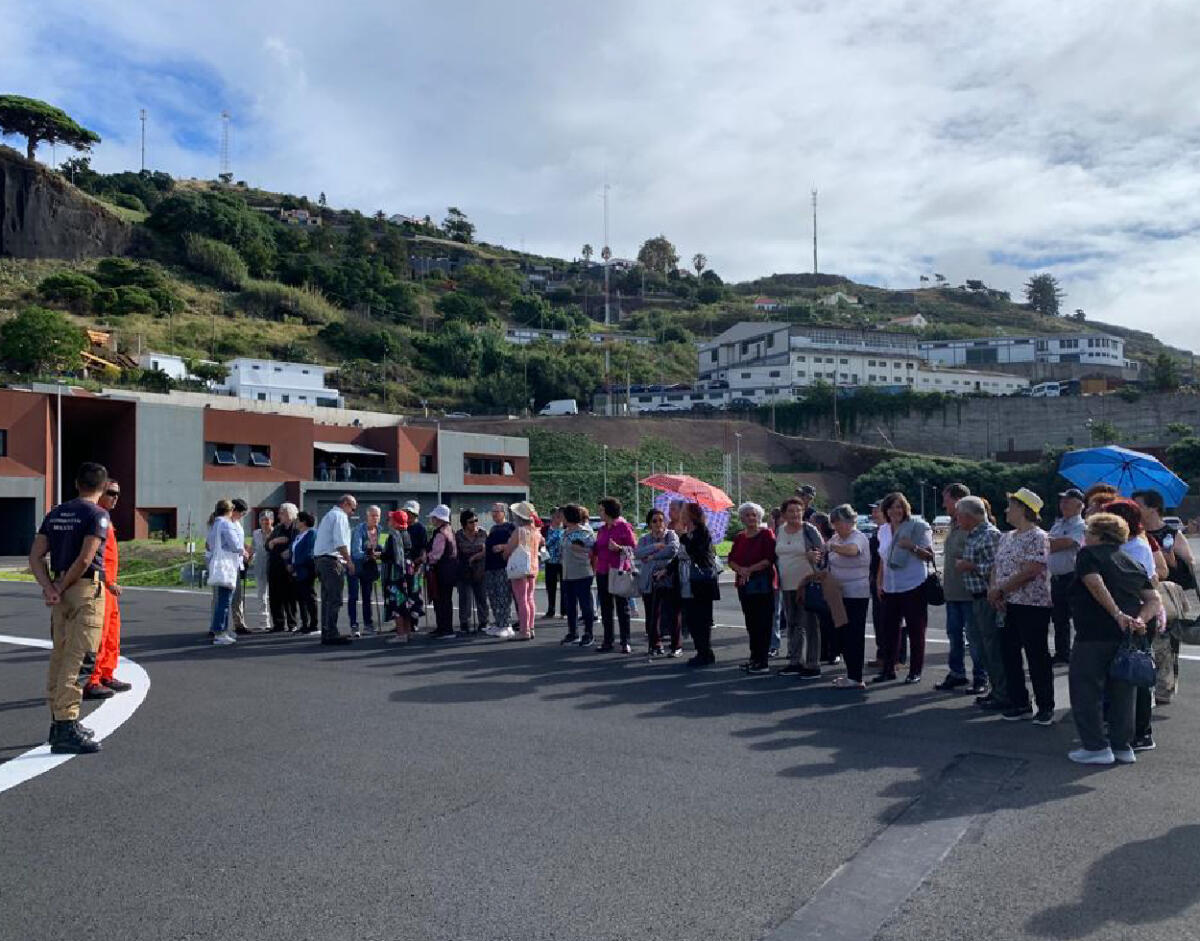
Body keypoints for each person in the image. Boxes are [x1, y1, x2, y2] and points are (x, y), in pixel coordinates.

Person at [28, 462, 111, 754]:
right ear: (102, 487)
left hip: (60, 594)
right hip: (85, 590)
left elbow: (36, 556)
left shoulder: (56, 513)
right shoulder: (97, 515)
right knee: (81, 658)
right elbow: (86, 558)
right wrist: (61, 587)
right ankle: (65, 726)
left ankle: (59, 720)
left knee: (61, 656)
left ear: (77, 483)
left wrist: (50, 587)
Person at [1066, 512, 1159, 765]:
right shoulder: (1131, 561)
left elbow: (1094, 582)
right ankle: (1122, 746)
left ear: (1098, 534)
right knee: (1123, 692)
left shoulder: (1088, 555)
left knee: (1086, 689)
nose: (1085, 536)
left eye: (1088, 532)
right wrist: (1140, 619)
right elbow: (1154, 599)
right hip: (1127, 636)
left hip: (1093, 634)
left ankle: (1095, 747)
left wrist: (1116, 613)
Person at [988, 488, 1054, 724]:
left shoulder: (1038, 536)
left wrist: (1001, 589)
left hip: (1032, 604)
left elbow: (1031, 570)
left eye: (1011, 505)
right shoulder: (1006, 536)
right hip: (1007, 604)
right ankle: (1020, 702)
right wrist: (993, 590)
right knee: (1009, 654)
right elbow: (996, 566)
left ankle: (1045, 705)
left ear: (1023, 509)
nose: (1007, 510)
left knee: (1037, 655)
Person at [82, 479, 133, 699]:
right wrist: (107, 581)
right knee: (98, 635)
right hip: (100, 584)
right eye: (111, 492)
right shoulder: (94, 516)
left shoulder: (105, 518)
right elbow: (93, 556)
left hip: (109, 586)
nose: (116, 498)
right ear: (100, 492)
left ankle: (105, 673)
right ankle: (91, 680)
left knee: (112, 632)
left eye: (118, 494)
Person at [775, 497, 823, 679]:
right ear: (784, 514)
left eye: (798, 511)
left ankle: (813, 664)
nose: (795, 514)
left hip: (807, 584)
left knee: (810, 625)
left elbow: (823, 550)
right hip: (787, 584)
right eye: (791, 511)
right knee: (793, 624)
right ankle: (795, 661)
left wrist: (814, 556)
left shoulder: (808, 529)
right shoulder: (780, 530)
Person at [728, 502, 778, 674]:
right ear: (742, 518)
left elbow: (769, 558)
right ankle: (754, 658)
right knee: (751, 623)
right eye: (747, 515)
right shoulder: (740, 537)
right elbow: (731, 558)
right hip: (744, 584)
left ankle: (762, 662)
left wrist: (749, 569)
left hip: (762, 584)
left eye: (754, 514)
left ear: (759, 516)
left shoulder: (766, 534)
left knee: (763, 623)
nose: (751, 517)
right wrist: (740, 569)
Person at [826, 504, 871, 688]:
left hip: (856, 593)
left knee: (854, 635)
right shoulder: (836, 537)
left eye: (839, 523)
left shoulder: (857, 537)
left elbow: (853, 551)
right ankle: (850, 672)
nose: (836, 526)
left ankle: (855, 676)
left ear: (850, 522)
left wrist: (832, 547)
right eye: (834, 523)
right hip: (838, 593)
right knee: (842, 634)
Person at [937, 483, 977, 692]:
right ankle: (957, 673)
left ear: (957, 500)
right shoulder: (954, 524)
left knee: (974, 637)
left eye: (946, 499)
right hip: (952, 591)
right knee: (954, 634)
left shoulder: (972, 526)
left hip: (968, 592)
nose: (944, 504)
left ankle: (980, 677)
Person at [635, 508, 682, 658]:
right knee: (652, 614)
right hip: (650, 580)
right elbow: (638, 553)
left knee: (673, 613)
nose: (658, 523)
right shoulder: (644, 538)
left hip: (668, 579)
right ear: (649, 523)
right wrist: (655, 547)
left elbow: (673, 550)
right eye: (654, 521)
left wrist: (652, 558)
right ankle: (655, 644)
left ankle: (676, 646)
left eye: (661, 520)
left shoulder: (671, 535)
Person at [1047, 488, 1087, 665]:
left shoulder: (1081, 526)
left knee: (1077, 617)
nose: (1063, 505)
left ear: (1079, 506)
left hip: (1072, 576)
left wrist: (1047, 543)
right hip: (1056, 577)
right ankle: (1062, 653)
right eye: (1062, 501)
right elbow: (1049, 544)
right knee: (1059, 618)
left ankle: (1080, 653)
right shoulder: (1058, 523)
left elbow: (1065, 544)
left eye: (1067, 501)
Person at [593, 497, 637, 654]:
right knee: (606, 607)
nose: (599, 513)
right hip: (603, 571)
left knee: (622, 607)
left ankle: (625, 641)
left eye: (601, 510)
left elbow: (633, 548)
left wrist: (619, 548)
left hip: (618, 570)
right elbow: (597, 548)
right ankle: (608, 640)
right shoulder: (602, 529)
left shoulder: (623, 527)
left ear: (608, 511)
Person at [679, 502, 720, 667]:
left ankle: (705, 652)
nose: (681, 515)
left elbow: (697, 553)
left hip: (702, 580)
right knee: (694, 618)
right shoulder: (693, 532)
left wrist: (683, 537)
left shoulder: (701, 531)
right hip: (693, 579)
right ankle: (703, 651)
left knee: (701, 618)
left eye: (684, 512)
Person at [313, 494, 357, 645]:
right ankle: (331, 633)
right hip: (331, 561)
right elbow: (340, 542)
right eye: (352, 508)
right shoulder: (339, 516)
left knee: (327, 599)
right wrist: (349, 561)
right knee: (334, 599)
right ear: (345, 504)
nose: (353, 512)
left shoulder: (329, 515)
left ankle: (327, 632)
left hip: (321, 560)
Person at [206, 499, 245, 646]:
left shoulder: (214, 524)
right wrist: (243, 551)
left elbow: (209, 544)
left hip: (217, 563)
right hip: (227, 565)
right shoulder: (226, 524)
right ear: (229, 510)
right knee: (225, 600)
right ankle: (220, 632)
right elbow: (235, 544)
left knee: (221, 599)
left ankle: (221, 630)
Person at [559, 504, 598, 645]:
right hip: (567, 573)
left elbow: (592, 548)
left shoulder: (584, 532)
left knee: (585, 604)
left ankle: (589, 633)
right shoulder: (565, 533)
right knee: (570, 605)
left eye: (563, 515)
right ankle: (573, 632)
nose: (561, 518)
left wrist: (580, 548)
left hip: (582, 572)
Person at [504, 501, 543, 640]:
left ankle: (524, 630)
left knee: (521, 600)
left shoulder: (519, 531)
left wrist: (505, 554)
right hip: (533, 566)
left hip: (520, 567)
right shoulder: (536, 532)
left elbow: (509, 549)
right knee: (529, 598)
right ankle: (530, 627)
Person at [381, 510, 422, 642]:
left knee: (397, 601)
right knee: (407, 602)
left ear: (396, 522)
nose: (389, 521)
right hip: (409, 569)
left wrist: (379, 554)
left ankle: (401, 634)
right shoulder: (406, 534)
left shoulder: (395, 536)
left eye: (391, 519)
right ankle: (408, 632)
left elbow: (391, 555)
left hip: (397, 572)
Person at [348, 505, 384, 636]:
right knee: (353, 596)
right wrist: (370, 554)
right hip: (355, 565)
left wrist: (379, 551)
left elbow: (377, 548)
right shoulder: (359, 530)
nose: (375, 518)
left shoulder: (379, 529)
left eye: (377, 516)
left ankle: (368, 624)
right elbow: (356, 552)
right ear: (367, 516)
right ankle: (354, 625)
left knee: (367, 597)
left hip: (368, 567)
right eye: (372, 515)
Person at [426, 504, 459, 638]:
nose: (432, 519)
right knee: (445, 599)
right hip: (451, 569)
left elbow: (436, 554)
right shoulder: (450, 529)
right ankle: (444, 627)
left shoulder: (440, 533)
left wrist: (426, 557)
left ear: (439, 518)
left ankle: (445, 629)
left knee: (441, 600)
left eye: (434, 517)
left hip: (441, 570)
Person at [484, 502, 516, 636]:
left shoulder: (510, 527)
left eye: (497, 511)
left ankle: (506, 624)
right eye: (493, 511)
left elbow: (516, 542)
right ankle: (498, 623)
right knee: (493, 596)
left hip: (503, 566)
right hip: (490, 566)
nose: (494, 514)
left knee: (503, 596)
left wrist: (503, 546)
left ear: (504, 513)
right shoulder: (492, 529)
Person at [266, 503, 299, 632]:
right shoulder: (278, 528)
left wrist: (288, 547)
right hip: (275, 566)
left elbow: (297, 543)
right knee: (274, 596)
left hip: (289, 567)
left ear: (289, 514)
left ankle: (292, 623)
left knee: (289, 596)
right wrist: (275, 541)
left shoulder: (296, 528)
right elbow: (267, 545)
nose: (279, 516)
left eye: (281, 513)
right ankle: (278, 624)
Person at [456, 510, 489, 634]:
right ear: (464, 523)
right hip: (464, 569)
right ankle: (465, 623)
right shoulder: (458, 535)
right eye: (471, 521)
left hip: (480, 569)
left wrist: (475, 557)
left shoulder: (483, 533)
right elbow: (456, 552)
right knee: (465, 598)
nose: (474, 523)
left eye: (476, 520)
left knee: (481, 597)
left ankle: (484, 622)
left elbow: (487, 549)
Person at [289, 511, 318, 633]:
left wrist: (294, 565)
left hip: (307, 570)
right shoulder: (298, 535)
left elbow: (308, 554)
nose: (295, 522)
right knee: (301, 598)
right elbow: (293, 551)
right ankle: (304, 623)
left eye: (297, 520)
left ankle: (314, 624)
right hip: (297, 571)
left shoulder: (312, 534)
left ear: (304, 522)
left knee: (309, 597)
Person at [251, 510, 274, 631]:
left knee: (275, 595)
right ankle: (264, 621)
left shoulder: (276, 532)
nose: (265, 522)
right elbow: (253, 548)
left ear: (272, 520)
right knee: (261, 594)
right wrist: (248, 557)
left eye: (267, 519)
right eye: (262, 519)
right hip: (260, 566)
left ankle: (278, 620)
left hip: (273, 566)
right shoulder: (256, 533)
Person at [543, 508, 565, 618]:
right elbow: (542, 543)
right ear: (551, 517)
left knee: (564, 587)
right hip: (550, 561)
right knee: (550, 587)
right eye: (557, 516)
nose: (559, 519)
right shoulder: (546, 529)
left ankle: (564, 611)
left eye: (560, 516)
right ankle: (550, 609)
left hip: (563, 562)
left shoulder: (565, 528)